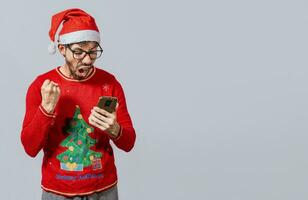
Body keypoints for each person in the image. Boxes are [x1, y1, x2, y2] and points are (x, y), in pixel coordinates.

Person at [20, 8, 136, 200]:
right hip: (57, 192)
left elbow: (129, 143)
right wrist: (46, 109)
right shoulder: (42, 86)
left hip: (104, 190)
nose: (88, 59)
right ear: (62, 49)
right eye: (79, 52)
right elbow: (30, 148)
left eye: (93, 51)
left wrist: (115, 129)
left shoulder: (110, 84)